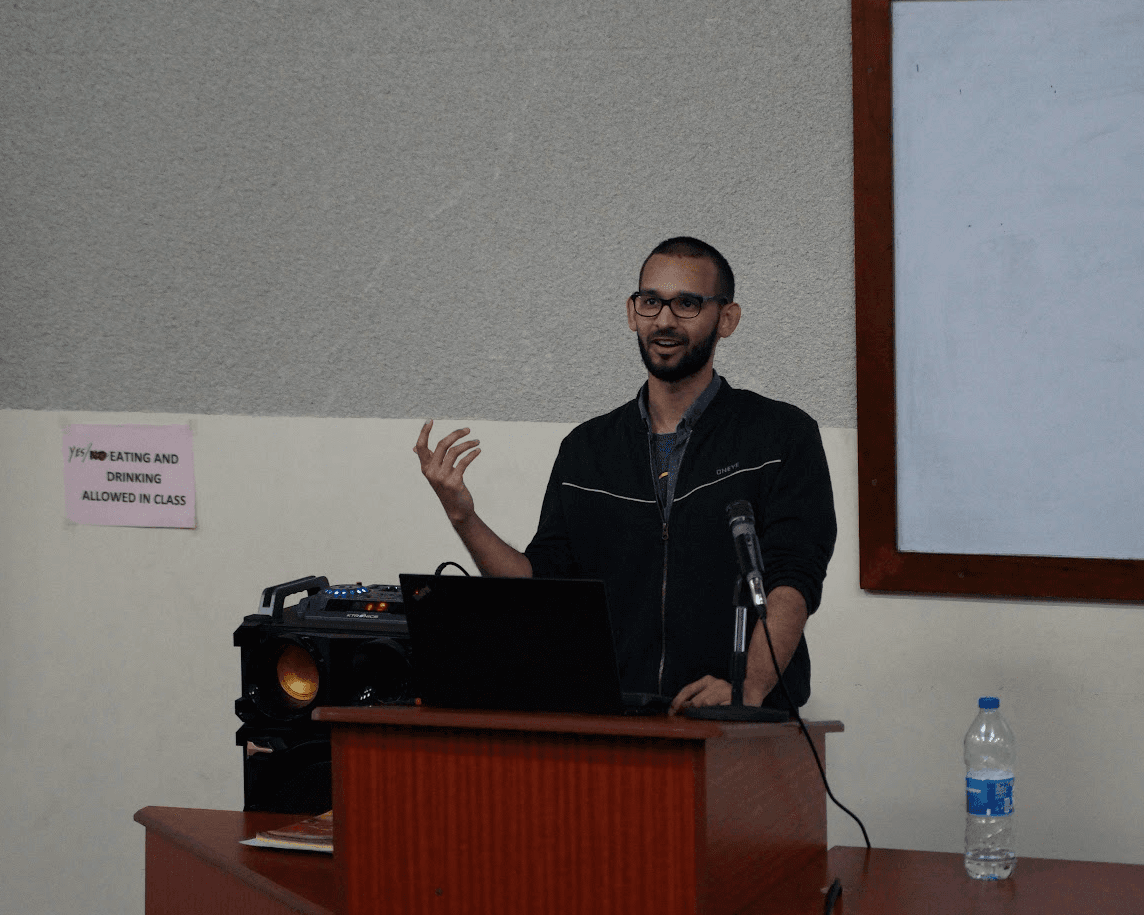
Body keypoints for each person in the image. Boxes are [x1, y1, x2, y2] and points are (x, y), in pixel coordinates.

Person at [413, 237, 836, 713]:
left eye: (687, 304)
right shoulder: (586, 449)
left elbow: (793, 578)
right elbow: (541, 588)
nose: (665, 321)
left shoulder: (781, 436)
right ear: (632, 313)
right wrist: (463, 517)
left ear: (727, 319)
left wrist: (748, 689)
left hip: (736, 725)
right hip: (614, 723)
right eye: (651, 301)